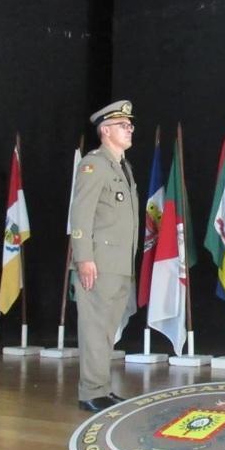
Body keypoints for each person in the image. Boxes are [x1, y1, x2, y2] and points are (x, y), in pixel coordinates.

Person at [70, 100, 140, 412]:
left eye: (130, 125)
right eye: (123, 125)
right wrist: (84, 258)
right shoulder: (94, 165)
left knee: (107, 330)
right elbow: (81, 216)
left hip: (119, 264)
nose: (130, 129)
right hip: (99, 263)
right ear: (105, 131)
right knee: (95, 329)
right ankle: (90, 391)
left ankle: (100, 387)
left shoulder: (123, 167)